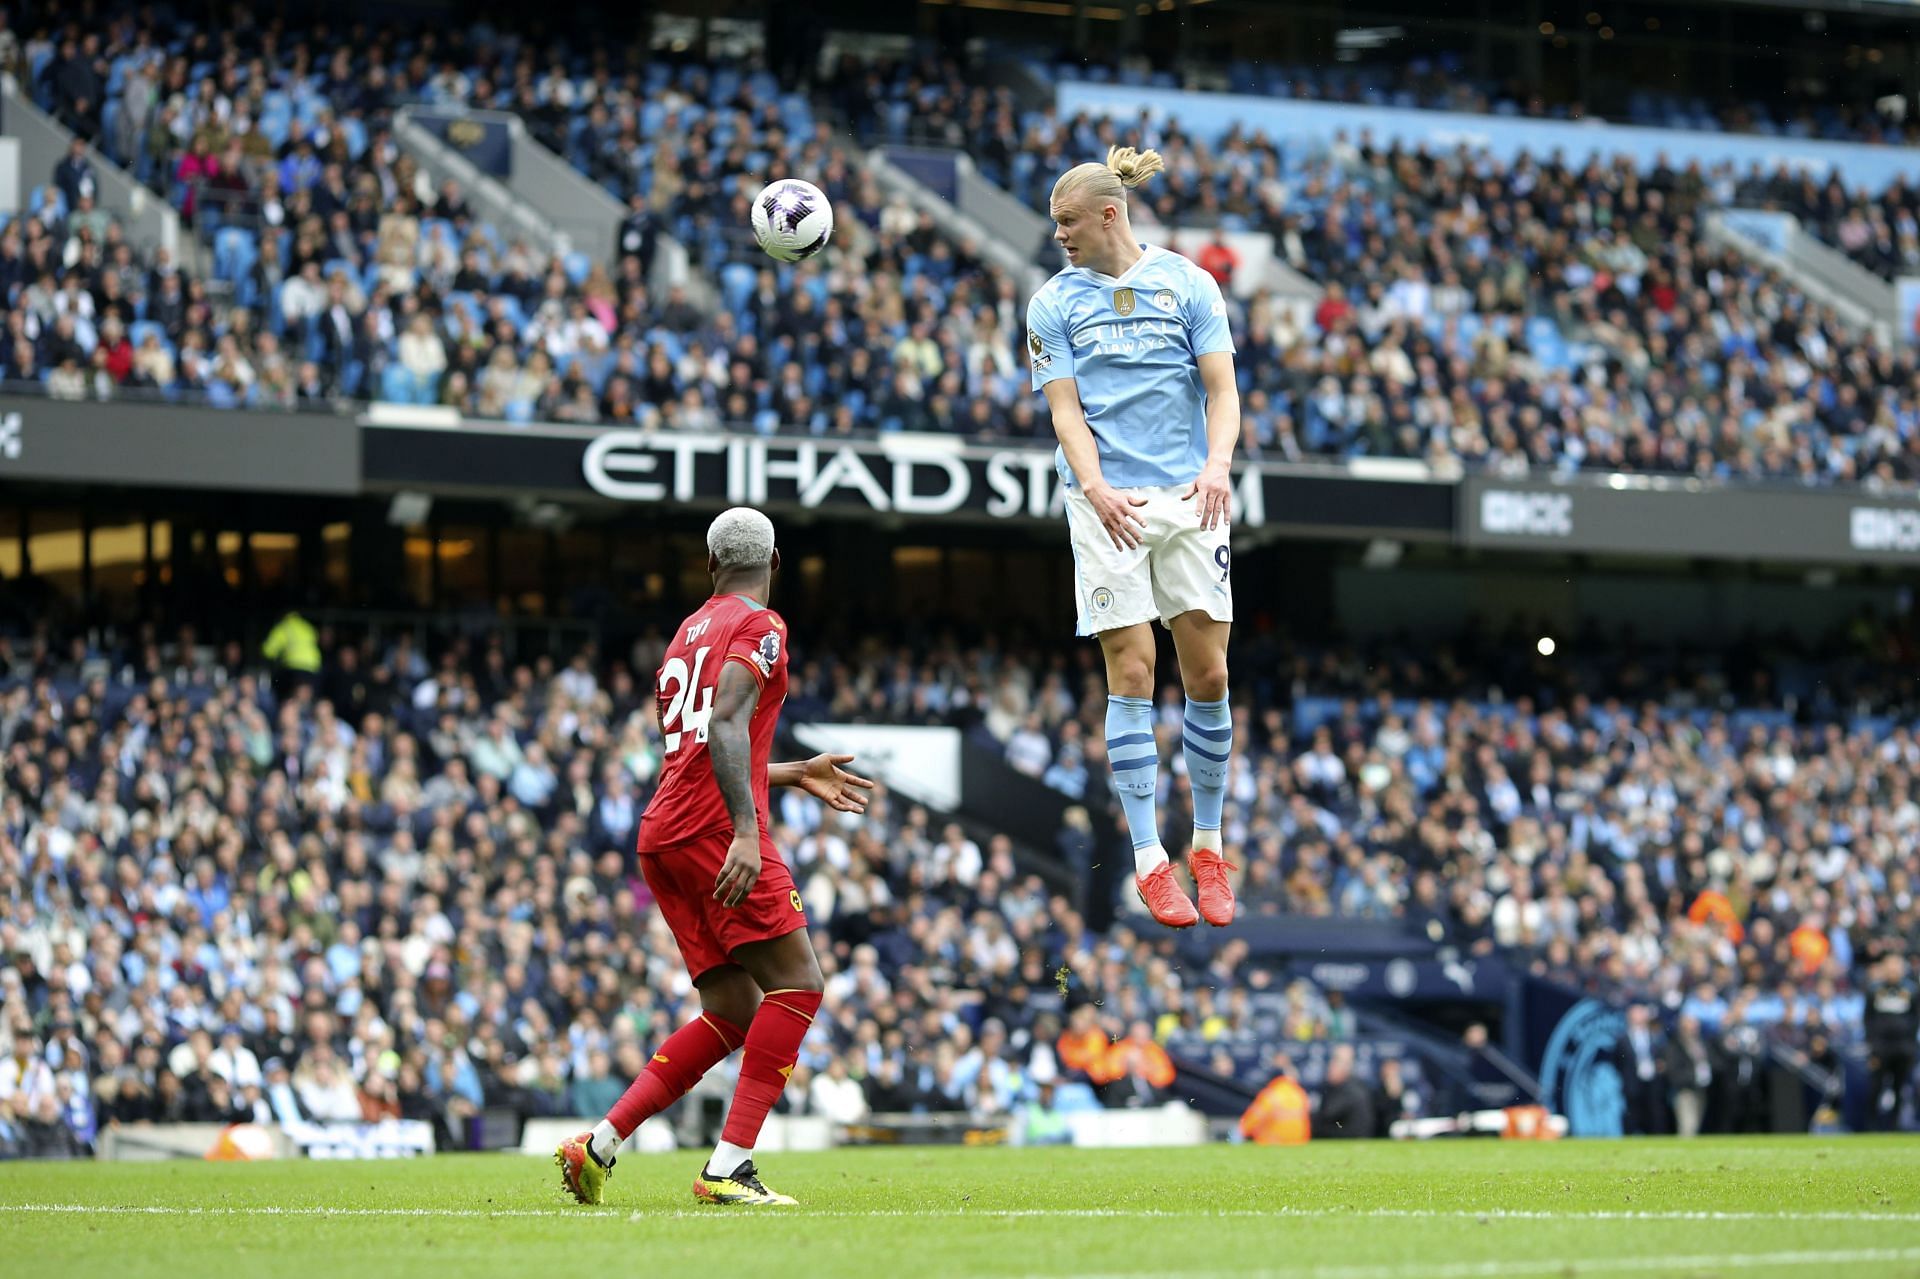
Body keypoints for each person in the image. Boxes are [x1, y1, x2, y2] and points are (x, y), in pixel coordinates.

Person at [555, 507, 874, 1209]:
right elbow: (726, 724)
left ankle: (598, 1144)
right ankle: (729, 1165)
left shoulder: (684, 634)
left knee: (731, 1007)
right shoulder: (762, 625)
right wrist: (747, 831)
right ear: (776, 563)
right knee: (799, 983)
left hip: (664, 833)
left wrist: (790, 772)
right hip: (711, 830)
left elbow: (706, 744)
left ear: (709, 567)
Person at [1027, 146, 1242, 930]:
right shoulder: (1052, 303)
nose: (1060, 237)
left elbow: (1221, 388)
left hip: (1192, 493)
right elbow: (1064, 412)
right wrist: (1095, 488)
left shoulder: (1189, 283)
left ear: (1109, 214)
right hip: (1105, 499)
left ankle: (1209, 847)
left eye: (1068, 223)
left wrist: (1218, 466)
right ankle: (1152, 858)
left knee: (1210, 672)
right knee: (1133, 665)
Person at [1865, 955, 1917, 1131]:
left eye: (1896, 966)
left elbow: (1915, 1018)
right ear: (1884, 968)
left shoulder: (1911, 990)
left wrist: (1910, 1045)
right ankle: (1872, 1126)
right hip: (1881, 1048)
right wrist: (1872, 1046)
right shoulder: (1874, 990)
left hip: (1902, 1048)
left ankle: (1894, 1126)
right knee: (1876, 1086)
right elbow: (1868, 1020)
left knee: (1899, 1087)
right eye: (1890, 966)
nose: (1893, 970)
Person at [1240, 1052, 1310, 1145]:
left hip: (1273, 1140)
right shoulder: (1300, 1094)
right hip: (1299, 1141)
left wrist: (1240, 1132)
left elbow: (1253, 1118)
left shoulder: (1271, 1094)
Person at [1664, 1014, 1714, 1139]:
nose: (1693, 1029)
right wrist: (1692, 1077)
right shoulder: (1675, 1045)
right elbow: (1673, 1070)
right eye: (1690, 1027)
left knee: (1697, 1123)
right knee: (1687, 1125)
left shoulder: (1700, 1043)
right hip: (1684, 1090)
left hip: (1700, 1088)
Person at [1310, 1043, 1375, 1139]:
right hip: (1348, 1128)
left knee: (1318, 1126)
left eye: (1334, 1064)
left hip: (1351, 1135)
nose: (1330, 1068)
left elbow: (1329, 1114)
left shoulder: (1349, 1088)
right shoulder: (1354, 1084)